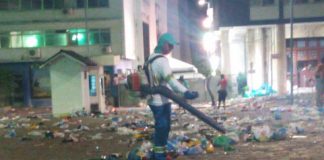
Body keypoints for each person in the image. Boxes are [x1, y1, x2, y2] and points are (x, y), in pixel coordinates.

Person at [146, 33, 198, 160]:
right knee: (163, 127)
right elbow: (171, 81)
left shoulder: (150, 58)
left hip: (156, 99)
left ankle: (160, 153)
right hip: (160, 101)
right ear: (163, 44)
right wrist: (186, 92)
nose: (171, 49)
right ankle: (159, 155)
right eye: (170, 46)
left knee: (163, 127)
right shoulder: (161, 61)